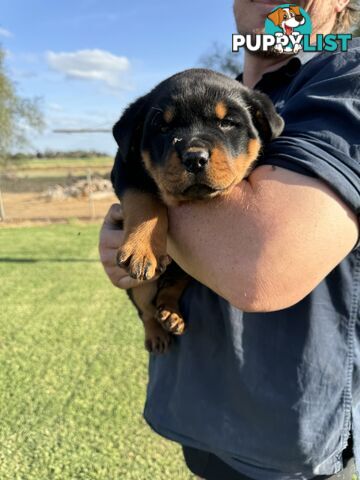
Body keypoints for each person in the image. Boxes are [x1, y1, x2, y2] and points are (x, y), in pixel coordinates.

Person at [99, 1, 360, 478]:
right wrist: (133, 221)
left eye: (227, 124)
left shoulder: (348, 75)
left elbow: (261, 265)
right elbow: (130, 168)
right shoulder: (221, 91)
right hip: (193, 412)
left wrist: (151, 213)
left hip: (289, 438)